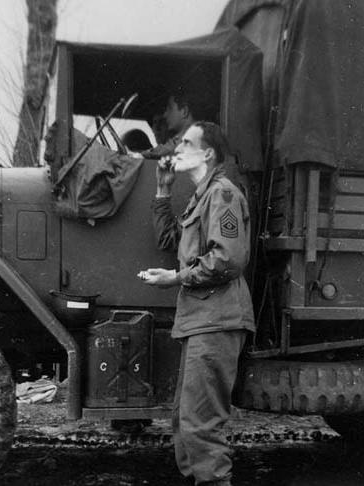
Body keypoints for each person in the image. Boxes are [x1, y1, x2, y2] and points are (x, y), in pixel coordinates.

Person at [138, 121, 255, 486]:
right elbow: (169, 239)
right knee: (185, 423)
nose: (177, 148)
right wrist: (163, 189)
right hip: (201, 319)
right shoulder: (202, 197)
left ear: (207, 153)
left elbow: (229, 259)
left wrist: (176, 278)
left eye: (186, 142)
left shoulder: (223, 194)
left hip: (217, 320)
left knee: (200, 424)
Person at [139, 86, 202, 159]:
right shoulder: (199, 131)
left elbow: (166, 149)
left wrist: (139, 155)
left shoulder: (191, 135)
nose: (165, 114)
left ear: (184, 111)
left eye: (170, 108)